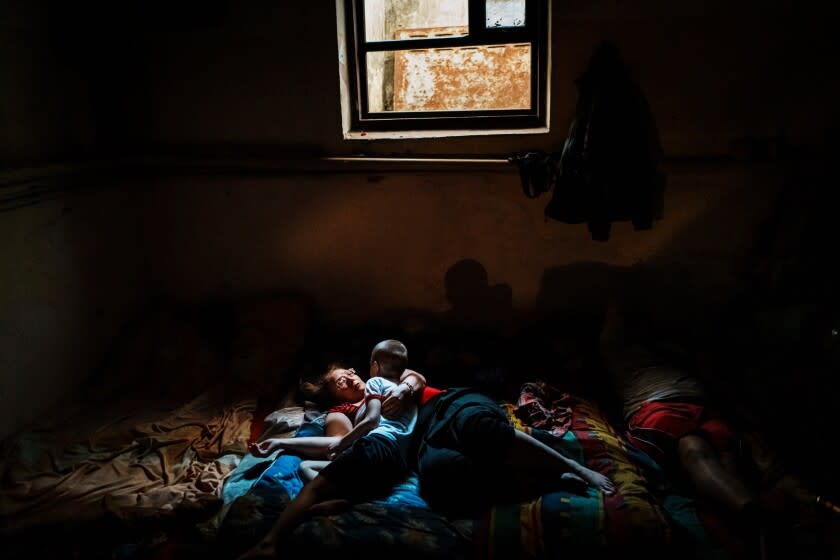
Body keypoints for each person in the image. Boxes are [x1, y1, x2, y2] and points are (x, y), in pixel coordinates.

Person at [238, 340, 422, 560]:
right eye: (340, 383)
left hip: (395, 450)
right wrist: (281, 442)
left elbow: (414, 375)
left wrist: (405, 388)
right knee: (307, 468)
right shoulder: (341, 412)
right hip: (381, 454)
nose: (350, 378)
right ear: (336, 397)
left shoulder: (383, 380)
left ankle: (272, 541)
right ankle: (344, 497)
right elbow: (337, 445)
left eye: (348, 373)